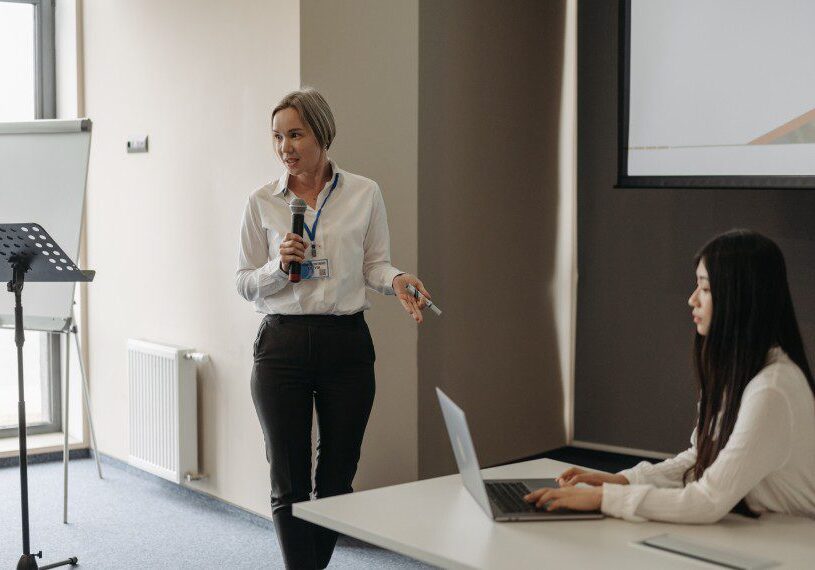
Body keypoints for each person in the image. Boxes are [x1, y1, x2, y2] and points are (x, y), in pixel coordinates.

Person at [236, 87, 430, 568]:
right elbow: (243, 283)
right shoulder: (262, 201)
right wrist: (277, 269)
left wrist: (398, 279)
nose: (285, 147)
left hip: (345, 344)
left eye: (296, 134)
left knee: (338, 479)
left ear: (322, 134)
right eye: (277, 136)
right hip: (280, 344)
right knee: (288, 480)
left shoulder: (365, 192)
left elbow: (375, 266)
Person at [525, 229, 815, 523]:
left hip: (796, 546)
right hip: (762, 533)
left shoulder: (772, 390)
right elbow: (699, 458)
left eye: (705, 288)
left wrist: (602, 498)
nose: (692, 300)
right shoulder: (739, 372)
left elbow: (707, 501)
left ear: (739, 299)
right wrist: (622, 481)